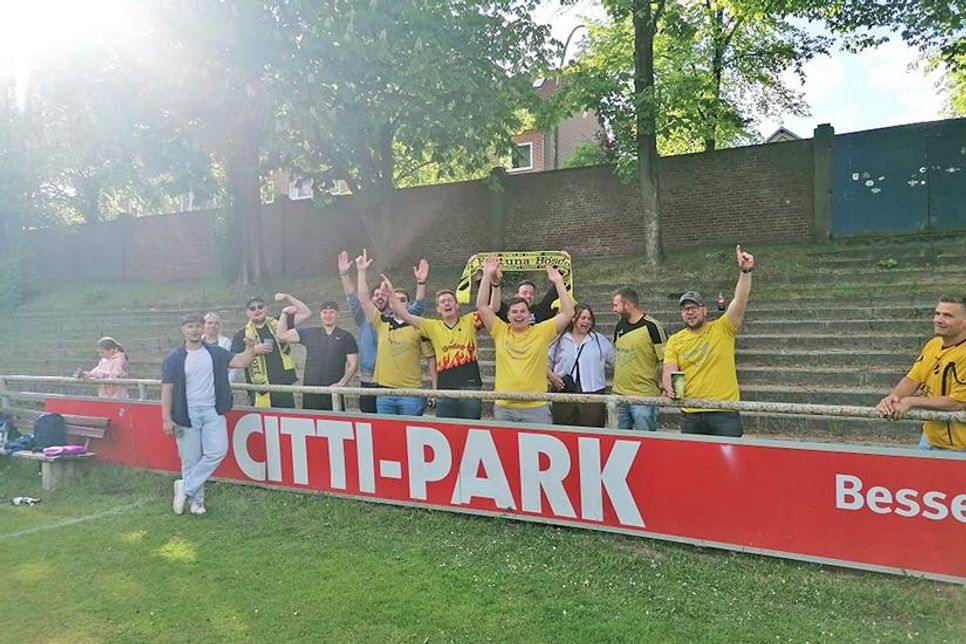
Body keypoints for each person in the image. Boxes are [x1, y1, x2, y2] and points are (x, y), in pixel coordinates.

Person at [162, 314, 256, 515]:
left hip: (212, 410)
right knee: (190, 459)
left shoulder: (216, 353)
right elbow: (167, 389)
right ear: (183, 329)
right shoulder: (174, 358)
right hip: (187, 413)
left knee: (218, 451)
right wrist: (166, 419)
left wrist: (250, 348)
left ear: (202, 328)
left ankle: (184, 487)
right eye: (190, 326)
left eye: (198, 326)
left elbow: (241, 361)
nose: (195, 330)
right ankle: (197, 502)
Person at [662, 245, 755, 437]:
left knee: (730, 464)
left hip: (724, 412)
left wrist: (745, 271)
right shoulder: (675, 341)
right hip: (691, 413)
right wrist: (668, 387)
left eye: (694, 307)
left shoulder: (723, 328)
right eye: (685, 309)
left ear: (705, 310)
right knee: (695, 465)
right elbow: (669, 371)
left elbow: (740, 300)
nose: (690, 311)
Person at [477, 256, 574, 424]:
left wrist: (559, 282)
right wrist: (486, 275)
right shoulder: (500, 330)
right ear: (507, 316)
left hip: (536, 408)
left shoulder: (542, 331)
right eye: (514, 312)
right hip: (504, 407)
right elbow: (482, 306)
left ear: (530, 315)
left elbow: (568, 313)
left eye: (523, 311)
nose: (519, 315)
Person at [338, 250, 426, 413]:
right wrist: (347, 273)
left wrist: (421, 283)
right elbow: (355, 296)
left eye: (383, 295)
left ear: (390, 300)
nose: (379, 297)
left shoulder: (404, 319)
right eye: (376, 294)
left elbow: (418, 306)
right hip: (369, 379)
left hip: (395, 382)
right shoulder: (366, 317)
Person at [875, 296, 966, 450]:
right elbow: (912, 378)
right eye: (937, 314)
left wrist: (911, 401)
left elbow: (958, 402)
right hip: (930, 439)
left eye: (948, 316)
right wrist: (893, 398)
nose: (938, 320)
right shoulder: (933, 344)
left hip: (959, 447)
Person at [386, 282, 483, 419]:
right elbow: (405, 315)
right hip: (444, 391)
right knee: (448, 431)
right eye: (442, 302)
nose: (447, 304)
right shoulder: (432, 326)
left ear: (457, 305)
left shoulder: (470, 320)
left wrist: (487, 278)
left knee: (472, 431)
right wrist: (391, 293)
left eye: (450, 300)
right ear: (438, 308)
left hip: (470, 388)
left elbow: (492, 308)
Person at [230, 293, 311, 408]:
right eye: (252, 308)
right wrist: (253, 350)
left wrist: (288, 298)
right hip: (259, 389)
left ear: (266, 309)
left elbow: (306, 313)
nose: (257, 310)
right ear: (247, 313)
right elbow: (233, 360)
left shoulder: (280, 323)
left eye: (260, 307)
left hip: (283, 385)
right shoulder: (241, 334)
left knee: (285, 422)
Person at [276, 300, 359, 411]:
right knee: (310, 426)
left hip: (333, 393)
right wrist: (284, 313)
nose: (328, 315)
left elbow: (353, 365)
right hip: (311, 391)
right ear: (320, 315)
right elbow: (281, 336)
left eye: (331, 312)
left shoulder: (346, 337)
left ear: (338, 315)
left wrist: (341, 384)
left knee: (334, 425)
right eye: (324, 312)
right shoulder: (311, 333)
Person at [548, 304, 615, 427]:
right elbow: (545, 362)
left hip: (593, 393)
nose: (586, 322)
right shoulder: (560, 340)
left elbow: (616, 362)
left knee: (592, 431)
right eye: (583, 318)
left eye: (589, 319)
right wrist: (552, 376)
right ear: (574, 319)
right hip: (564, 391)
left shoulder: (599, 340)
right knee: (564, 429)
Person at [611, 287, 667, 431]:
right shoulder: (619, 326)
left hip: (644, 397)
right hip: (619, 395)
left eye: (616, 305)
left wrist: (666, 388)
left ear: (628, 305)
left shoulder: (653, 326)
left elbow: (666, 360)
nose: (613, 309)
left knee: (647, 442)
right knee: (619, 443)